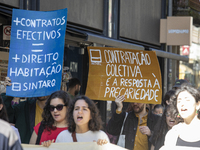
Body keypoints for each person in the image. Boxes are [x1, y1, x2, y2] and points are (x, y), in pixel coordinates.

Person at [2, 76, 49, 143]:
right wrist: (8, 92)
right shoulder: (24, 107)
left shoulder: (59, 110)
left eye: (43, 85)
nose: (40, 88)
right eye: (37, 84)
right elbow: (5, 114)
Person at [162, 83, 200, 148]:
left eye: (187, 100)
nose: (182, 104)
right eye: (179, 101)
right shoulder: (173, 133)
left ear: (198, 104)